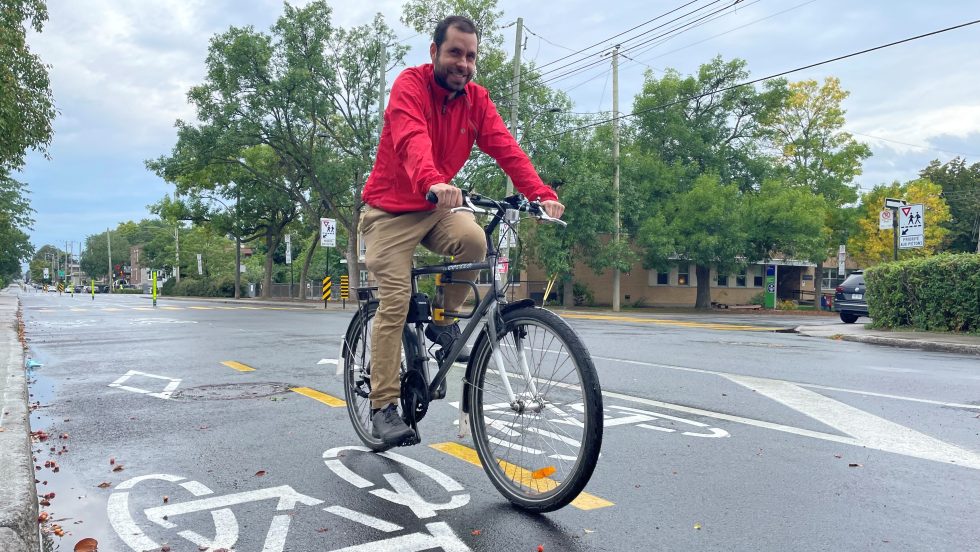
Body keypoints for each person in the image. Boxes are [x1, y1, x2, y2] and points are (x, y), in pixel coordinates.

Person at [359, 15, 564, 445]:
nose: (463, 63)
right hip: (390, 211)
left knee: (475, 240)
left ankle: (442, 320)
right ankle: (382, 406)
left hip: (435, 208)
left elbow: (507, 149)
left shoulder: (477, 100)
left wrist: (540, 193)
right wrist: (433, 180)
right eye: (455, 52)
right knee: (394, 303)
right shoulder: (409, 87)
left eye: (471, 56)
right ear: (434, 52)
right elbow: (412, 139)